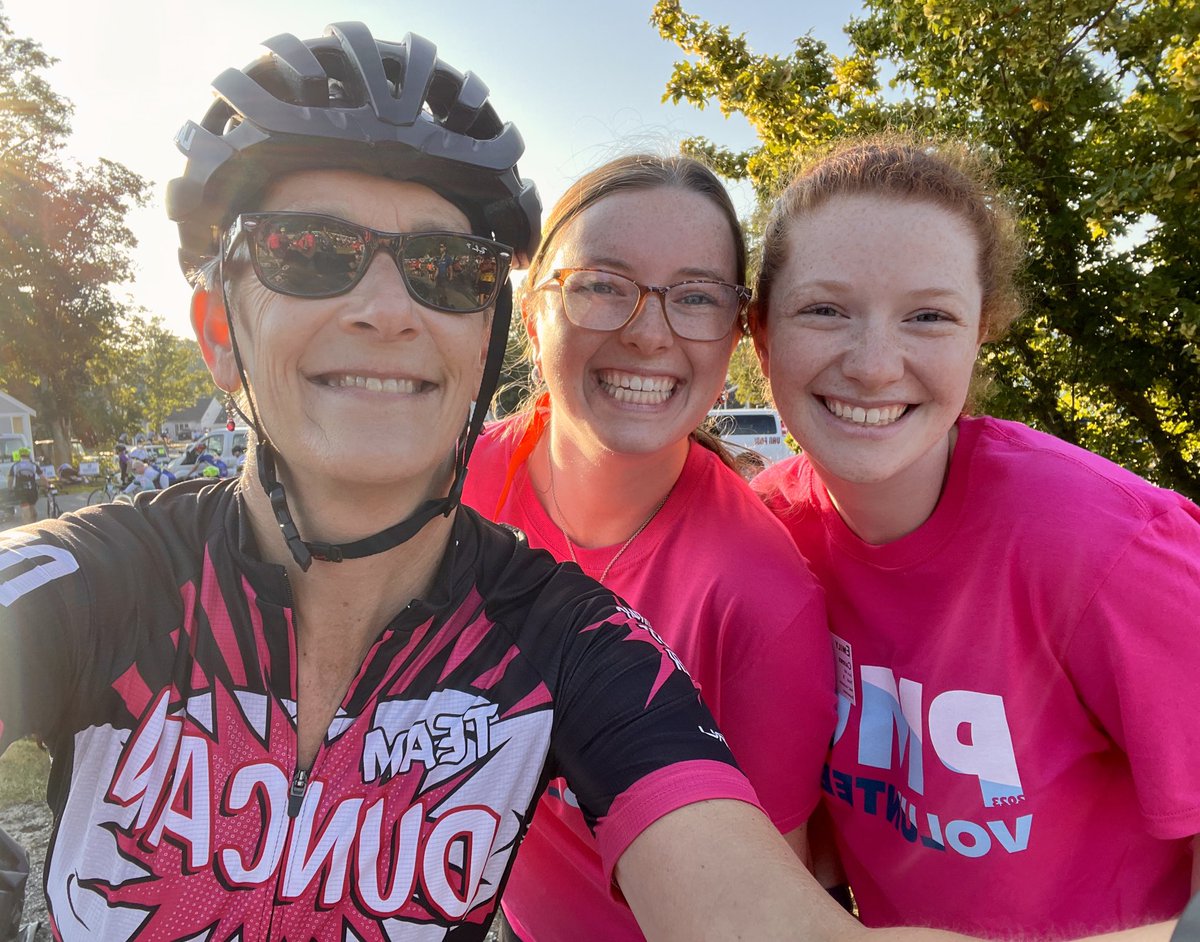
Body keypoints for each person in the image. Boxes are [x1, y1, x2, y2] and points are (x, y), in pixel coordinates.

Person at [0, 25, 933, 942]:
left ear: (483, 334)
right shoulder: (97, 583)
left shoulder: (581, 646)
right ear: (216, 332)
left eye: (444, 271)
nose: (385, 309)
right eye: (311, 251)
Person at [748, 134, 1200, 937]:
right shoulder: (764, 536)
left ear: (979, 333)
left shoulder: (1108, 546)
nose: (876, 364)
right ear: (761, 337)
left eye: (929, 316)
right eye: (824, 309)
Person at [461, 153, 836, 942]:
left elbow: (770, 907)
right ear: (533, 311)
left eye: (695, 297)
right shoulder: (451, 492)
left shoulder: (760, 597)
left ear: (735, 333)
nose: (648, 332)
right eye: (602, 284)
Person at [5, 448, 41, 525]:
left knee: (25, 509)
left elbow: (10, 479)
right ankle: (34, 524)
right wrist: (47, 485)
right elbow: (42, 478)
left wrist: (10, 489)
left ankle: (28, 527)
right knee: (32, 508)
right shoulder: (33, 465)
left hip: (20, 490)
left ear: (20, 455)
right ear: (28, 455)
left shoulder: (15, 466)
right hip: (32, 491)